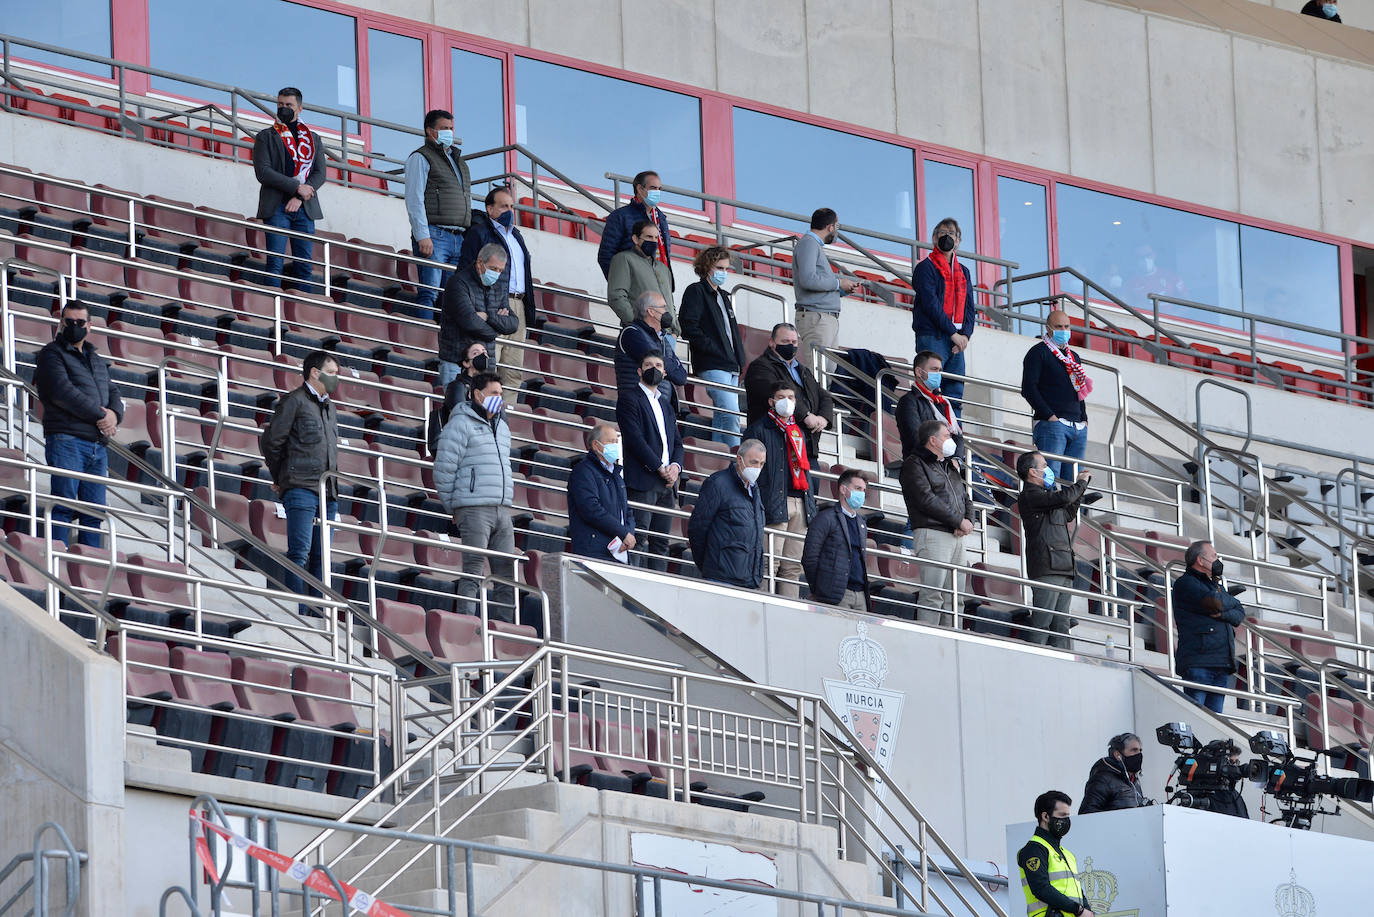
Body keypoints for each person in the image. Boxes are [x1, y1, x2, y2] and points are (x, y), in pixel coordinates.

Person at [35, 302, 123, 548]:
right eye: (69, 322)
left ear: (90, 326)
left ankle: (89, 577)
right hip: (67, 440)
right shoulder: (51, 353)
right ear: (61, 323)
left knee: (93, 516)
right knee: (63, 507)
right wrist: (101, 416)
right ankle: (58, 571)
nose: (74, 327)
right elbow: (61, 392)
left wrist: (114, 415)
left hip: (97, 446)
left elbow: (112, 391)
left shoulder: (95, 359)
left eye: (80, 323)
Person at [260, 350, 339, 612]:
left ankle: (317, 613)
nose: (336, 380)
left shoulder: (330, 407)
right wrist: (281, 477)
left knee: (320, 558)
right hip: (301, 488)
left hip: (328, 492)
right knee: (300, 553)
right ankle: (297, 612)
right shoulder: (293, 401)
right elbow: (271, 442)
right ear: (315, 373)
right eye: (332, 374)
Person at [433, 373, 516, 621]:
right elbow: (444, 468)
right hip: (473, 509)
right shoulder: (459, 423)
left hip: (502, 509)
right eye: (493, 394)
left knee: (506, 575)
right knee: (473, 571)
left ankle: (506, 631)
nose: (498, 399)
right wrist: (454, 508)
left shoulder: (502, 426)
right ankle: (466, 624)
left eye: (501, 395)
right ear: (477, 395)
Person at [742, 381, 816, 598]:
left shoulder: (798, 431)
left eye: (791, 397)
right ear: (771, 402)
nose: (787, 402)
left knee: (792, 568)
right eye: (781, 397)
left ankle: (788, 613)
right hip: (774, 503)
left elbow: (805, 469)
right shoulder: (758, 429)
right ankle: (765, 606)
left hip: (799, 503)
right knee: (768, 565)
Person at [459, 185, 533, 403]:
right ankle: (481, 414)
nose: (509, 210)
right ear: (489, 209)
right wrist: (481, 305)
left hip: (518, 306)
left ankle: (504, 422)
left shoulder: (517, 236)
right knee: (487, 366)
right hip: (493, 305)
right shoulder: (479, 233)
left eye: (511, 206)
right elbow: (467, 271)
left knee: (513, 370)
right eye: (503, 206)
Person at [1016, 450, 1093, 650]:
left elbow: (1067, 513)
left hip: (1063, 565)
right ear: (1033, 472)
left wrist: (1080, 490)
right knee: (1042, 623)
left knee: (1061, 626)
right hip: (1046, 567)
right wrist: (1080, 484)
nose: (1048, 469)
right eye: (1044, 466)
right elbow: (1064, 498)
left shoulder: (1048, 496)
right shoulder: (1030, 496)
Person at [252, 86, 326, 291]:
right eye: (280, 105)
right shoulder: (266, 136)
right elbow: (263, 172)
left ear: (299, 108)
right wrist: (296, 187)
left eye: (289, 105)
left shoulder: (313, 139)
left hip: (305, 208)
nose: (283, 108)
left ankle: (303, 317)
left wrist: (301, 196)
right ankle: (271, 311)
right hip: (276, 207)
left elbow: (320, 174)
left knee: (304, 267)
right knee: (275, 264)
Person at [900, 419, 973, 627]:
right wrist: (959, 521)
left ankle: (954, 639)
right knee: (933, 595)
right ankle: (928, 640)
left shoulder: (949, 465)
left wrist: (969, 521)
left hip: (956, 535)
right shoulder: (914, 463)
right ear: (932, 440)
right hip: (932, 534)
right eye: (947, 436)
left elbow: (964, 497)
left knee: (955, 597)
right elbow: (925, 499)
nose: (951, 440)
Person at [615, 354, 684, 573]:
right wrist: (658, 467)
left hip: (667, 485)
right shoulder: (629, 398)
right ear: (639, 371)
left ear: (664, 373)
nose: (653, 369)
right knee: (638, 538)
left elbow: (677, 443)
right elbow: (634, 439)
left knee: (661, 543)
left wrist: (675, 466)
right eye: (648, 365)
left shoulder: (666, 405)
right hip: (644, 480)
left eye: (658, 366)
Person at [403, 109, 472, 320]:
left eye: (451, 128)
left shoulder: (459, 161)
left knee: (452, 297)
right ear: (430, 131)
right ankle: (424, 339)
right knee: (429, 292)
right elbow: (414, 199)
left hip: (458, 238)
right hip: (435, 235)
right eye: (444, 129)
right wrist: (422, 235)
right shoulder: (420, 157)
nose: (450, 132)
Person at [678, 246, 746, 446]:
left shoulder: (724, 296)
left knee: (721, 417)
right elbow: (688, 326)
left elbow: (731, 332)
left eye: (726, 268)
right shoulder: (696, 291)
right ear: (707, 267)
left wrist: (739, 360)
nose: (723, 272)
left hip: (731, 365)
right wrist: (713, 349)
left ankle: (718, 460)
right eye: (719, 267)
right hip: (713, 364)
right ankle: (736, 458)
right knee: (731, 415)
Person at [743, 323, 834, 464]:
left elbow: (825, 397)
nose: (790, 346)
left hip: (807, 449)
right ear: (772, 342)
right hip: (775, 447)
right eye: (785, 342)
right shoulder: (760, 367)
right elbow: (776, 395)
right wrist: (805, 415)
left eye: (794, 342)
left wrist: (823, 418)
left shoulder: (803, 371)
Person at [1172, 541, 1245, 715]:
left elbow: (1239, 612)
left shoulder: (1215, 586)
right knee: (1196, 717)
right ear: (1200, 560)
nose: (1218, 560)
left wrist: (1220, 612)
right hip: (1199, 662)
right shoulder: (1186, 583)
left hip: (1221, 663)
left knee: (1215, 723)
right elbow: (1215, 602)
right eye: (1214, 556)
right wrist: (1223, 605)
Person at [911, 218, 975, 415]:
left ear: (958, 241)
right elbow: (931, 305)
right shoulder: (925, 268)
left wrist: (965, 335)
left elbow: (970, 309)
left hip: (957, 341)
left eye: (952, 234)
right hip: (933, 336)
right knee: (930, 389)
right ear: (933, 238)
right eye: (942, 232)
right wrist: (953, 333)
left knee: (955, 395)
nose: (947, 237)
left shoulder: (964, 271)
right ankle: (930, 431)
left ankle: (954, 437)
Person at [1022, 310, 1092, 481]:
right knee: (1049, 477)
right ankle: (1049, 508)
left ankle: (1073, 509)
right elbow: (1028, 388)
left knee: (1073, 481)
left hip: (1077, 426)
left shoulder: (1073, 356)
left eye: (1066, 326)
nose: (1063, 330)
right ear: (1048, 328)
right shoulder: (1038, 352)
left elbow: (1079, 389)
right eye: (1058, 326)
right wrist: (1050, 416)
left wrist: (1084, 418)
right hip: (1052, 425)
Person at [688, 440, 767, 589]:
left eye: (762, 464)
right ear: (739, 459)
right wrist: (708, 565)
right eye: (754, 462)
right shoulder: (717, 483)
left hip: (748, 580)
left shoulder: (755, 489)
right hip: (720, 577)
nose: (758, 468)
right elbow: (697, 528)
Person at [437, 243, 517, 388]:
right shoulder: (458, 283)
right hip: (458, 364)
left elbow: (513, 324)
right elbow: (469, 321)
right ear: (480, 262)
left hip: (486, 368)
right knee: (457, 409)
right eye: (493, 269)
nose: (497, 274)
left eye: (500, 270)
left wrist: (488, 317)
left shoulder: (499, 287)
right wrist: (496, 330)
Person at [792, 208, 858, 369]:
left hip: (823, 319)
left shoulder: (812, 245)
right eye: (837, 226)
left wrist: (842, 290)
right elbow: (808, 280)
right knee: (820, 375)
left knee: (828, 376)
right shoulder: (808, 243)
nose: (836, 231)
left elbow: (816, 283)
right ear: (831, 227)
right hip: (817, 319)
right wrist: (838, 284)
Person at [567, 422, 637, 562]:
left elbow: (627, 511)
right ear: (595, 445)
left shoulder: (616, 475)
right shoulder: (583, 471)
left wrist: (628, 534)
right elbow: (591, 509)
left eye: (616, 442)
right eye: (611, 442)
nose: (615, 446)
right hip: (594, 551)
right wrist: (623, 533)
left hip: (618, 551)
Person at [802, 469, 870, 611]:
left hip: (861, 595)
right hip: (836, 595)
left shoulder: (861, 523)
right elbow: (810, 557)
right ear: (843, 489)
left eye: (864, 490)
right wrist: (820, 590)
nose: (862, 494)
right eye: (858, 489)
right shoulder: (825, 518)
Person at [1017, 790, 1093, 917]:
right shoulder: (1034, 849)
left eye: (1068, 816)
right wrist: (1078, 910)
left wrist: (1087, 910)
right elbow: (1041, 889)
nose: (1066, 820)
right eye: (1062, 815)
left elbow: (1077, 892)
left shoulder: (1067, 854)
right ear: (1045, 816)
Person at [597, 169, 671, 277]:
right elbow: (605, 255)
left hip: (660, 284)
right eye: (653, 188)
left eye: (659, 189)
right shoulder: (620, 216)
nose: (657, 192)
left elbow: (665, 255)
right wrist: (621, 284)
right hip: (633, 287)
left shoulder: (661, 219)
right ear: (640, 189)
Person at [615, 292, 686, 403]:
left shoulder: (663, 338)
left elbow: (681, 377)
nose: (667, 312)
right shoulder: (632, 333)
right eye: (663, 307)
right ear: (651, 311)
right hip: (638, 403)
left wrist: (666, 364)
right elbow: (655, 363)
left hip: (660, 404)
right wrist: (671, 364)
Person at [607, 220, 676, 331]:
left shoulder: (663, 268)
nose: (653, 241)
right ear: (635, 239)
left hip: (667, 335)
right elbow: (616, 296)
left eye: (655, 238)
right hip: (642, 333)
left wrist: (675, 330)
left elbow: (669, 302)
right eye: (649, 237)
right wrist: (637, 324)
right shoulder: (624, 259)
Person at [896, 350, 963, 460]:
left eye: (940, 370)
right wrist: (939, 458)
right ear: (919, 372)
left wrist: (956, 460)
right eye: (934, 369)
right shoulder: (908, 401)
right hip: (921, 467)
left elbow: (958, 437)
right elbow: (915, 437)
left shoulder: (942, 403)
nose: (938, 374)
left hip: (943, 469)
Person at [427, 340, 490, 456]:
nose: (483, 356)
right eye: (476, 353)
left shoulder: (490, 390)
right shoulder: (457, 386)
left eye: (484, 352)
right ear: (466, 363)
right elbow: (461, 418)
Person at [1079, 733, 1150, 815]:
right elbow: (1087, 813)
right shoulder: (1103, 779)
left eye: (1140, 750)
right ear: (1117, 755)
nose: (1139, 754)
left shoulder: (1134, 781)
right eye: (1134, 750)